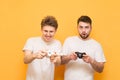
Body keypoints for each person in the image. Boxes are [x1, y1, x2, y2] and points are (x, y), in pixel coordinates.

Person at [60, 15, 106, 80]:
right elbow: (60, 62)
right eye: (81, 27)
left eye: (86, 27)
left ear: (91, 28)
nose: (83, 30)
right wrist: (69, 57)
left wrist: (91, 61)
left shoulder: (97, 45)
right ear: (77, 27)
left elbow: (101, 69)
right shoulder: (69, 41)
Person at [23, 16, 61, 80]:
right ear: (41, 29)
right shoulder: (31, 41)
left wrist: (55, 59)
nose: (48, 34)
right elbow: (25, 60)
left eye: (51, 31)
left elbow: (58, 63)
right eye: (45, 31)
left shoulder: (57, 43)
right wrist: (34, 55)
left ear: (55, 31)